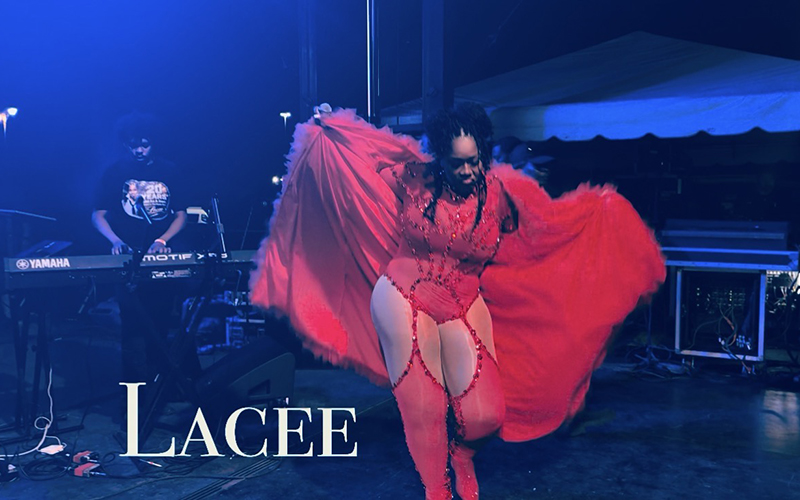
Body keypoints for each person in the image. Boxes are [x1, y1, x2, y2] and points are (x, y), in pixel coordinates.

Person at [251, 104, 665, 499]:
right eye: (456, 163)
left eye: (474, 161)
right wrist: (334, 131)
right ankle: (437, 490)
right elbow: (360, 170)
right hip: (403, 293)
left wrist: (597, 212)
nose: (467, 171)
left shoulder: (503, 191)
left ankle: (461, 454)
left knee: (486, 415)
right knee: (425, 407)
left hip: (463, 301)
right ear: (439, 157)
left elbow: (545, 226)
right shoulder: (410, 177)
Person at [92, 112, 198, 394]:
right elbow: (98, 214)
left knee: (160, 324)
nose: (139, 150)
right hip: (128, 260)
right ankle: (133, 395)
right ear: (124, 144)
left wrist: (163, 239)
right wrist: (114, 240)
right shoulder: (114, 172)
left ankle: (159, 389)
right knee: (131, 328)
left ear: (154, 143)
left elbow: (181, 215)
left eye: (145, 144)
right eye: (133, 145)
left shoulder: (170, 171)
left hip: (160, 258)